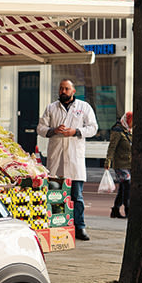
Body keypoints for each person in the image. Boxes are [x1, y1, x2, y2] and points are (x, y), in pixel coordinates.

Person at [37, 79, 98, 241]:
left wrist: (76, 131)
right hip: (56, 157)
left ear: (73, 91)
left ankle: (80, 227)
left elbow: (93, 128)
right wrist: (53, 130)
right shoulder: (51, 108)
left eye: (66, 88)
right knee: (55, 194)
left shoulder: (84, 107)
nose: (63, 91)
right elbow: (40, 128)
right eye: (61, 88)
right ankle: (59, 227)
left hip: (74, 159)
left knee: (77, 196)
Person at [104, 111, 132, 218]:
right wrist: (108, 161)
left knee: (123, 187)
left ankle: (115, 209)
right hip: (120, 164)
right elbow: (112, 147)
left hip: (129, 164)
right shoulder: (118, 131)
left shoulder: (128, 131)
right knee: (127, 185)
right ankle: (128, 210)